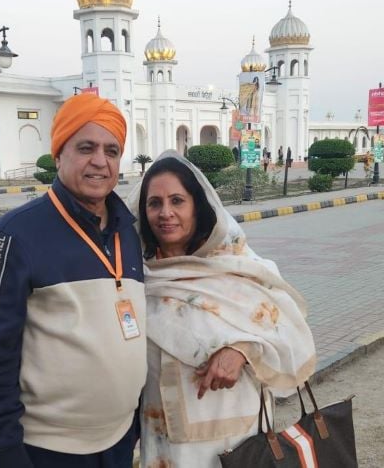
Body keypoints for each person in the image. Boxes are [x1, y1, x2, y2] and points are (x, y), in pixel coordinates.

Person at [0, 93, 146, 467]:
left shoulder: (127, 233)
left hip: (119, 442)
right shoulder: (14, 236)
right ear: (58, 154)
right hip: (50, 451)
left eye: (112, 151)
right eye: (86, 148)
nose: (100, 161)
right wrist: (6, 451)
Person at [127, 152, 316, 467]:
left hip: (238, 442)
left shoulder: (237, 266)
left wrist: (243, 351)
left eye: (177, 201)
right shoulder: (138, 275)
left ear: (197, 207)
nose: (165, 213)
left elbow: (290, 331)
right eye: (155, 203)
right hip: (165, 443)